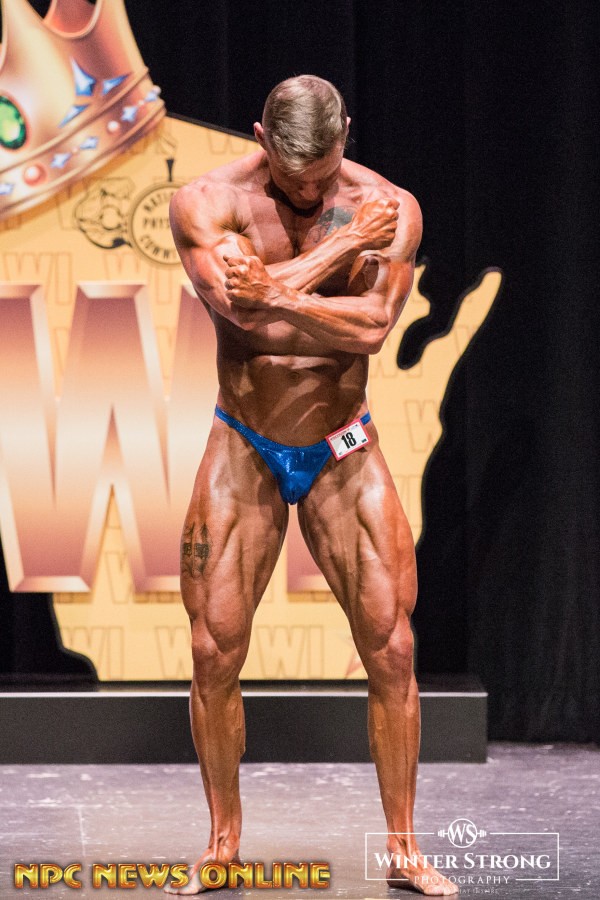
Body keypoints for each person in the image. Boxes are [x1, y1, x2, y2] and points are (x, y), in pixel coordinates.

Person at [167, 75, 457, 896]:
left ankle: (404, 849)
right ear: (261, 138)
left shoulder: (389, 206)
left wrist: (274, 288)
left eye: (322, 177)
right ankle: (223, 844)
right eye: (293, 179)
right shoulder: (206, 202)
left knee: (392, 649)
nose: (306, 193)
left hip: (342, 446)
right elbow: (243, 317)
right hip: (245, 444)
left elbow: (373, 327)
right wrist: (336, 253)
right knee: (212, 651)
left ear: (346, 136)